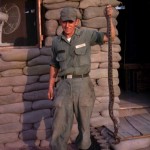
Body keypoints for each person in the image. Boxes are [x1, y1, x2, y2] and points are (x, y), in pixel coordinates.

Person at [48, 5, 116, 150]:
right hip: (64, 85)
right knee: (60, 122)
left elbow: (110, 36)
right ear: (60, 21)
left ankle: (83, 147)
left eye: (70, 21)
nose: (67, 25)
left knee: (84, 124)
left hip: (83, 84)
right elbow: (54, 64)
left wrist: (108, 18)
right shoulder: (56, 42)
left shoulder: (86, 34)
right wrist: (50, 85)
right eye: (64, 21)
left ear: (77, 21)